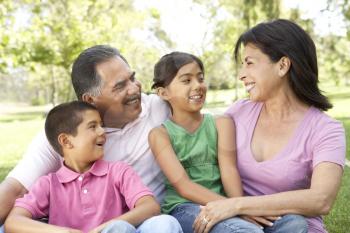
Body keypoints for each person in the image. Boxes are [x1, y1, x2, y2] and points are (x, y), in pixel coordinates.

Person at [0, 45, 182, 233]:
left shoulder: (161, 107)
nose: (134, 89)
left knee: (161, 224)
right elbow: (15, 189)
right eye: (120, 86)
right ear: (90, 100)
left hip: (140, 224)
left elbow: (206, 123)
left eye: (133, 78)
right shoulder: (65, 132)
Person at [193, 19, 346, 233]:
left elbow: (321, 199)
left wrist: (237, 205)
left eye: (249, 63)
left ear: (282, 65)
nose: (241, 75)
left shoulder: (326, 130)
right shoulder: (238, 112)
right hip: (239, 227)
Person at [148, 52, 307, 233]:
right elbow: (184, 186)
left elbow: (229, 170)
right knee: (244, 231)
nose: (198, 86)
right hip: (185, 208)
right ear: (163, 92)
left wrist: (240, 208)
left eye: (200, 79)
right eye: (186, 81)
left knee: (294, 223)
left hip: (227, 206)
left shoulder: (221, 123)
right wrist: (234, 210)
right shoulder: (160, 135)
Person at [5, 101, 161, 233]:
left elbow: (150, 206)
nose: (102, 131)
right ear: (66, 141)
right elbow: (13, 222)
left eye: (101, 125)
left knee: (161, 223)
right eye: (93, 126)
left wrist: (103, 228)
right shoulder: (49, 184)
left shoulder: (118, 171)